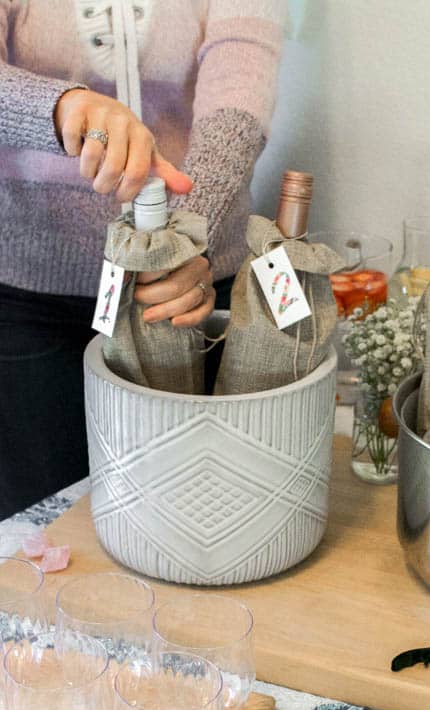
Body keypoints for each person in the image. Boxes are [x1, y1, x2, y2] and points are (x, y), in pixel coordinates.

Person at [0, 0, 285, 519]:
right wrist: (66, 106)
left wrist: (186, 237)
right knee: (41, 522)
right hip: (28, 296)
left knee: (194, 509)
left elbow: (240, 96)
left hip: (191, 288)